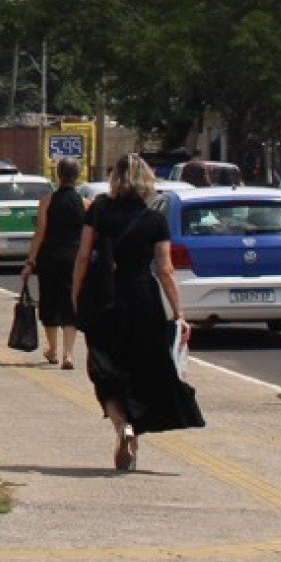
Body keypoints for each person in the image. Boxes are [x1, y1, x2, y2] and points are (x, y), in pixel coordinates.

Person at [72, 152, 204, 471]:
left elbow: (83, 255)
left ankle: (122, 427)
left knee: (105, 368)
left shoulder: (99, 209)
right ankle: (134, 429)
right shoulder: (154, 219)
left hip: (105, 298)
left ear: (115, 178)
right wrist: (179, 313)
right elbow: (166, 269)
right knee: (140, 367)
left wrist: (77, 296)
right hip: (142, 299)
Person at [22, 157, 87, 370]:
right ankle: (69, 354)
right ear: (77, 176)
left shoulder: (47, 202)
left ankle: (53, 350)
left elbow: (40, 233)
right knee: (71, 301)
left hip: (50, 256)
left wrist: (30, 261)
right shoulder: (86, 204)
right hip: (75, 258)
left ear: (58, 175)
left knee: (50, 301)